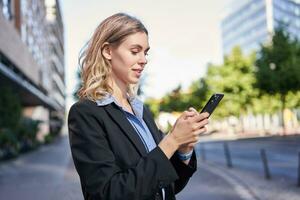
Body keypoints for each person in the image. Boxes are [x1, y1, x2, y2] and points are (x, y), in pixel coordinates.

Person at [68, 12, 209, 200]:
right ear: (107, 51)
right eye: (135, 51)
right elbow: (108, 194)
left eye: (145, 52)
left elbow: (166, 186)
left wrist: (183, 150)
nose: (143, 59)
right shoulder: (86, 113)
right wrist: (171, 141)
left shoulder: (141, 111)